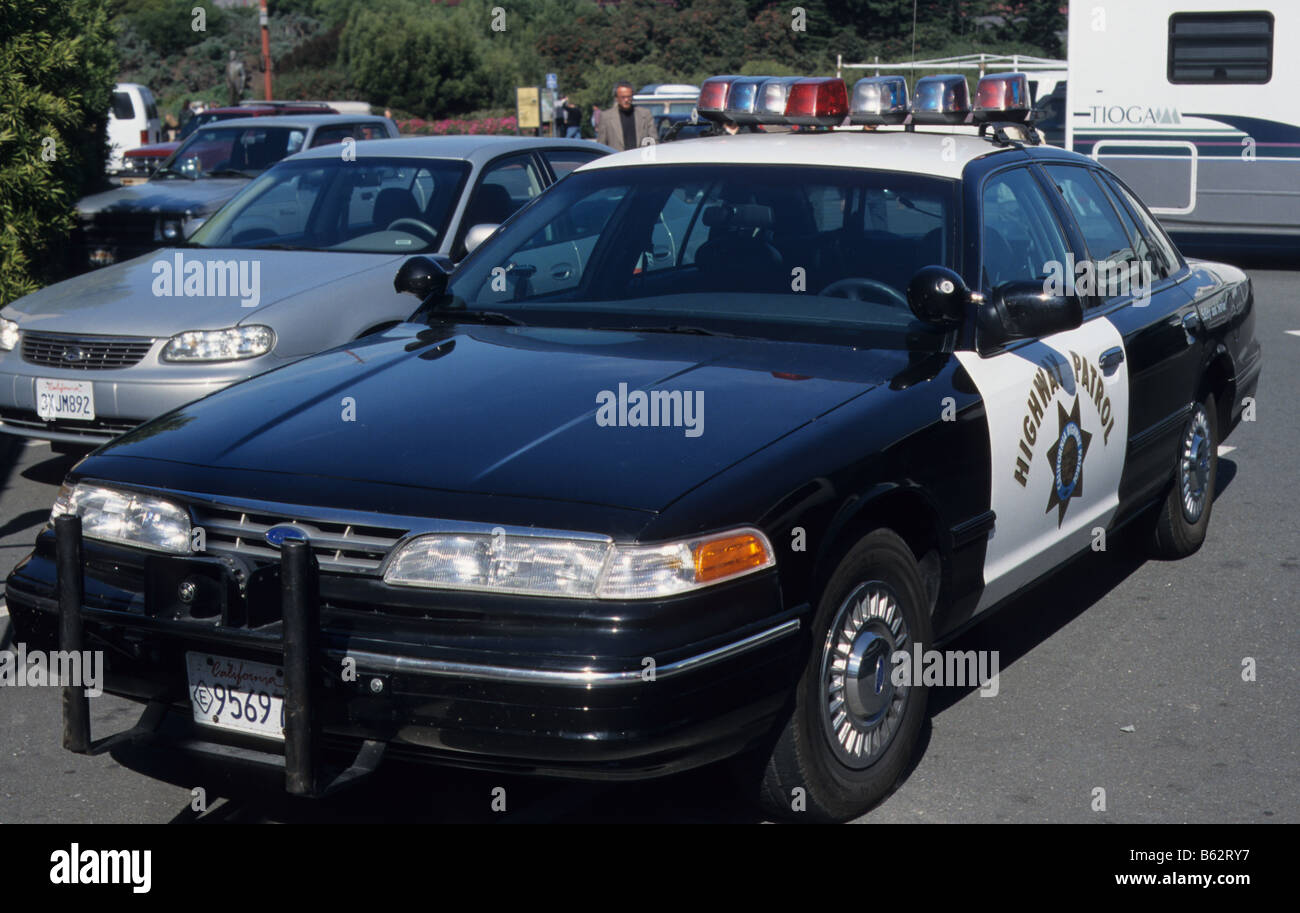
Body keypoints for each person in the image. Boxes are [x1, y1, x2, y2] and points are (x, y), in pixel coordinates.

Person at [596, 82, 655, 151]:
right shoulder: (606, 117)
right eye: (623, 97)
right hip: (617, 159)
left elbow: (653, 140)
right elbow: (601, 145)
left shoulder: (645, 114)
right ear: (616, 98)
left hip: (640, 159)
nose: (626, 100)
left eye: (629, 97)